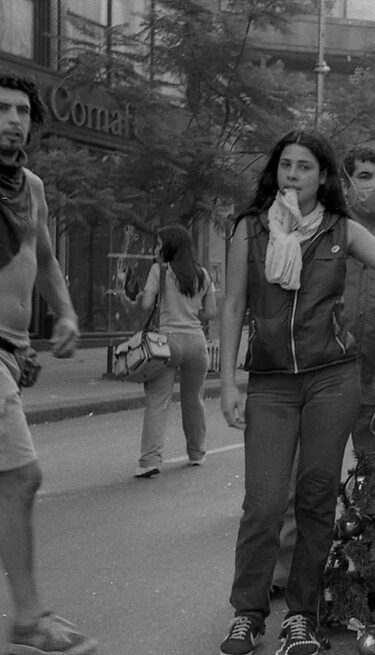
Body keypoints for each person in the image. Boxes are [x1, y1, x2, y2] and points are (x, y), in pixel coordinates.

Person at [217, 130, 375, 655]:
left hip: (332, 378)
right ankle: (247, 615)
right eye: (286, 165)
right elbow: (233, 304)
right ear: (276, 171)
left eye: (305, 167)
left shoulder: (342, 229)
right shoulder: (250, 228)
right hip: (271, 382)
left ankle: (301, 619)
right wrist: (227, 383)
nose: (293, 175)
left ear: (323, 176)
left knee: (316, 499)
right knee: (265, 502)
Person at [270, 145, 375, 594]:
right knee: (307, 479)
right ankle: (285, 572)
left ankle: (374, 565)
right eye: (365, 176)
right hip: (326, 372)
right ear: (347, 183)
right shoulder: (326, 230)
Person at [0, 74, 97, 654]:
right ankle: (29, 618)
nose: (13, 120)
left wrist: (65, 313)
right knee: (20, 477)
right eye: (1, 109)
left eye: (21, 111)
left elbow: (44, 256)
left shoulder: (30, 187)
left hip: (11, 351)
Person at [118, 224, 216, 478]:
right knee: (193, 400)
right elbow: (211, 312)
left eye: (159, 244)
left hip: (167, 343)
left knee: (157, 400)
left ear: (170, 247)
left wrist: (131, 295)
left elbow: (147, 304)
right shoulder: (203, 275)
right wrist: (191, 312)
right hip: (197, 343)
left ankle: (150, 460)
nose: (155, 249)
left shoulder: (159, 271)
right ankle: (197, 453)